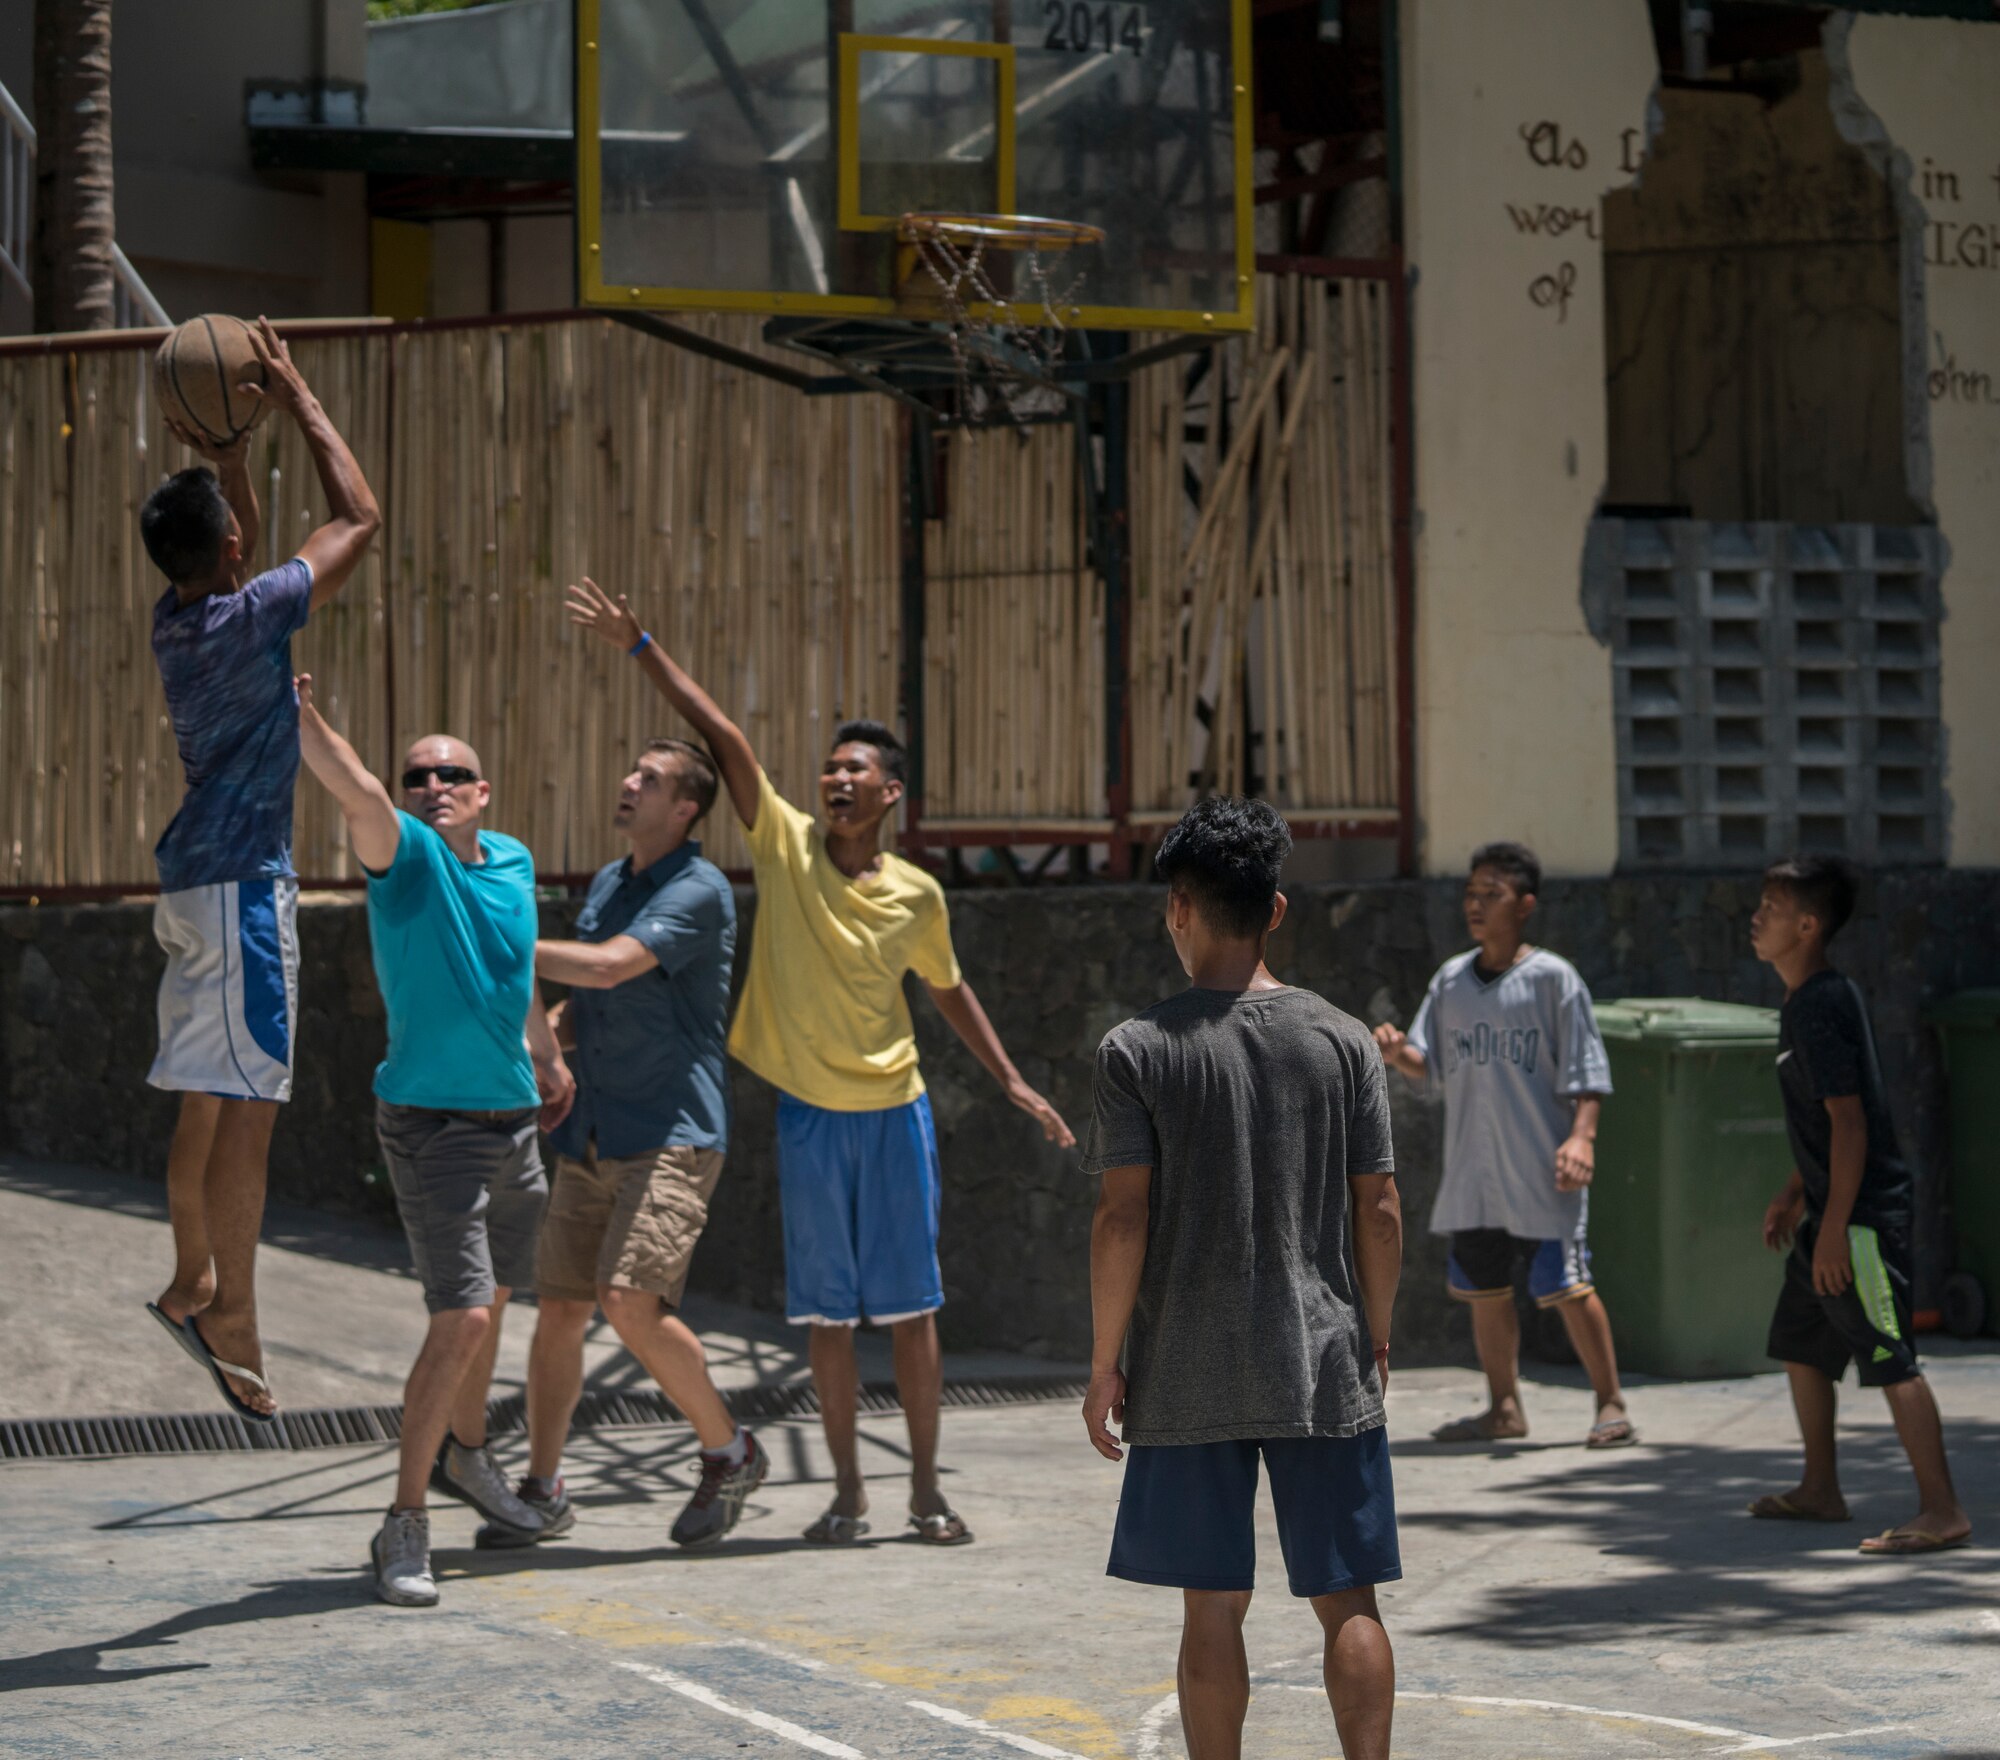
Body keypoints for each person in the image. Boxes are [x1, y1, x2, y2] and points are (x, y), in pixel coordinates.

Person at [563, 578, 1073, 1547]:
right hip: (806, 1116)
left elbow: (947, 988)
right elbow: (719, 733)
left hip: (895, 1116)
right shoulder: (785, 843)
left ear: (890, 794)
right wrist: (640, 645)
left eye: (856, 772)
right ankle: (847, 1493)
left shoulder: (918, 892)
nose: (836, 782)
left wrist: (1008, 1077)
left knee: (913, 1313)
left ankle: (924, 1489)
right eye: (828, 769)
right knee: (828, 1323)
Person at [1082, 797, 1403, 1760]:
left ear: (1178, 908)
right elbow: (1379, 1207)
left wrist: (1106, 1362)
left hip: (1185, 1365)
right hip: (1321, 1354)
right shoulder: (1345, 1040)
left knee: (1212, 1605)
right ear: (1276, 908)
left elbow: (1121, 1218)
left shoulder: (1137, 1049)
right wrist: (1375, 1331)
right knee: (1347, 1595)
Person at [139, 319, 381, 1423]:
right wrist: (296, 401)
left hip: (191, 881)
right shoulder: (252, 614)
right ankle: (229, 1306)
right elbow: (360, 517)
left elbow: (246, 548)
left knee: (205, 1101)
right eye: (238, 518)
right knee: (251, 1113)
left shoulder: (184, 617)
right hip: (241, 887)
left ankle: (195, 1281)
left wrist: (231, 453)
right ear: (233, 547)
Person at [296, 678, 576, 1607]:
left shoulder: (511, 862)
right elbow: (356, 791)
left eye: (452, 774)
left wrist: (544, 1052)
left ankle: (468, 1460)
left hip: (512, 1122)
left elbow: (514, 967)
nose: (432, 786)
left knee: (488, 1311)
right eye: (419, 774)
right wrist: (298, 715)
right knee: (459, 1317)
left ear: (484, 790)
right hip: (434, 1127)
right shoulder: (405, 857)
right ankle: (403, 1523)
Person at [517, 737, 766, 1550]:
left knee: (628, 1300)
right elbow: (582, 1004)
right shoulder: (608, 883)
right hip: (591, 1132)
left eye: (649, 780)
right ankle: (543, 1488)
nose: (627, 784)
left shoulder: (699, 891)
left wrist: (498, 943)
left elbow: (608, 968)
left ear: (687, 808)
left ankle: (729, 1451)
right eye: (631, 772)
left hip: (671, 1135)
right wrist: (543, 1053)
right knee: (559, 1308)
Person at [1374, 841, 1634, 1449]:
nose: (1476, 904)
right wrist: (1395, 1051)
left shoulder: (1554, 980)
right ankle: (1504, 1408)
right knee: (1484, 1291)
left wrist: (1582, 1139)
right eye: (1471, 893)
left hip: (1543, 1165)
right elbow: (1426, 1061)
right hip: (1475, 1168)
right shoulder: (1451, 981)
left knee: (1566, 1286)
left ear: (1525, 905)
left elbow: (1587, 1072)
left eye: (1492, 894)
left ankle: (1611, 1401)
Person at [1748, 855, 1970, 1555]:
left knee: (1891, 1357)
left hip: (1861, 1220)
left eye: (1773, 907)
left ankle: (1943, 1510)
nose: (1757, 917)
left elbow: (1850, 1122)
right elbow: (1823, 1122)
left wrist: (1838, 1227)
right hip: (1830, 1213)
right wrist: (1794, 1197)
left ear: (1808, 925)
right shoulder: (1807, 997)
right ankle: (1821, 1490)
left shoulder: (1818, 1004)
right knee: (1799, 1345)